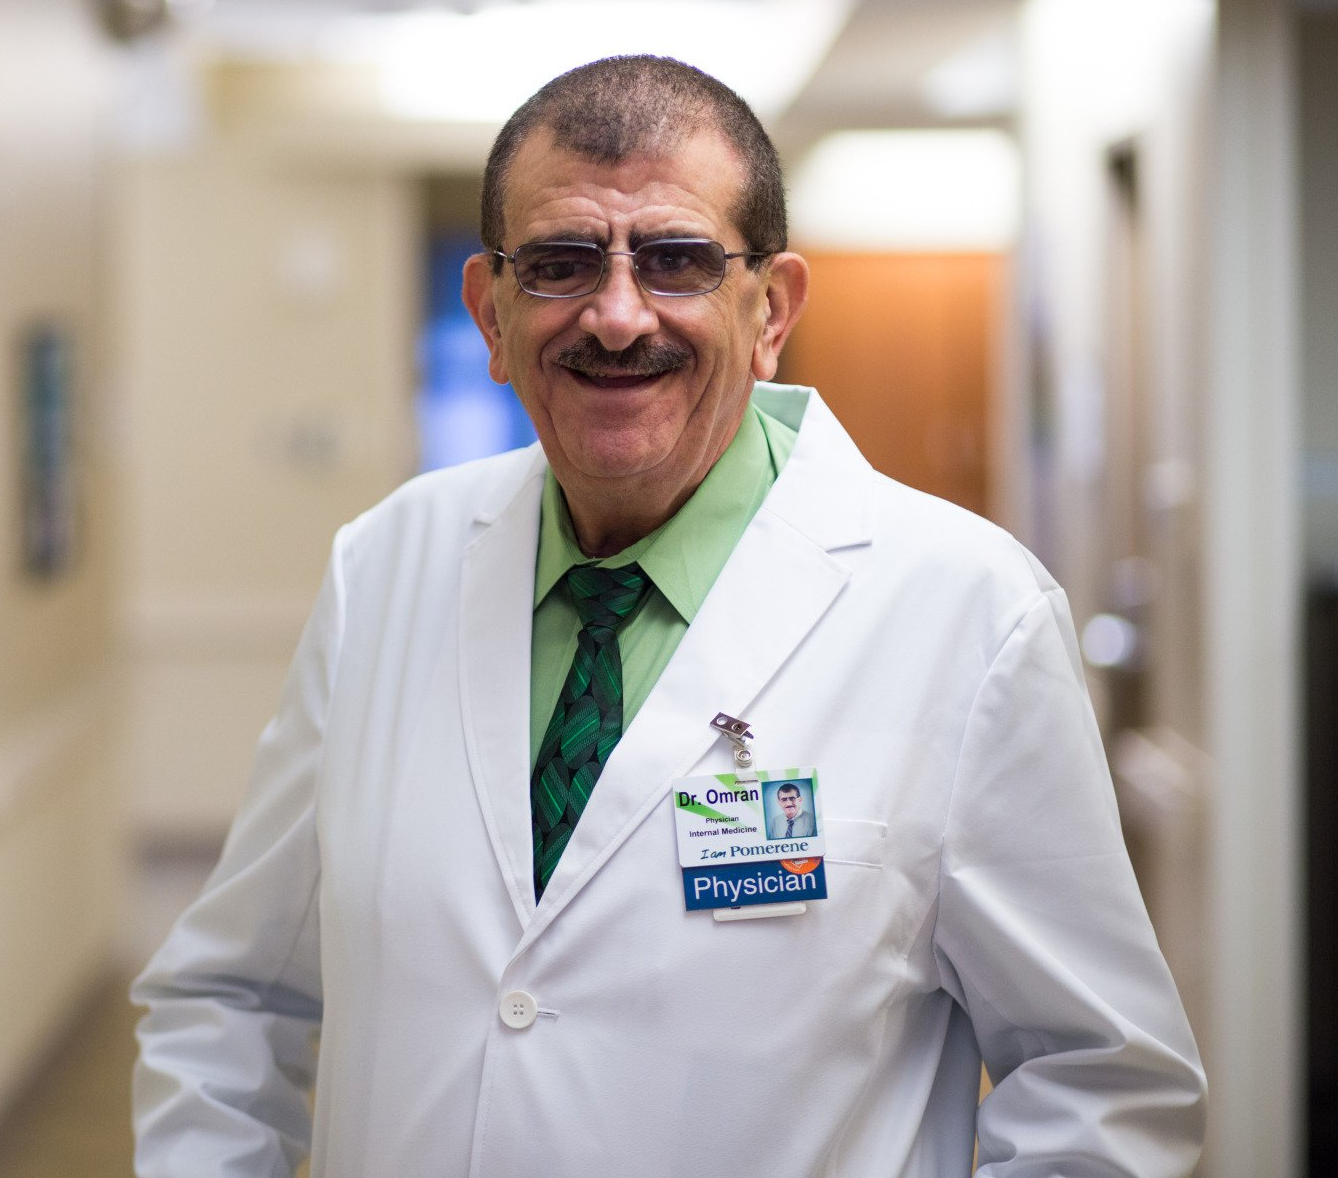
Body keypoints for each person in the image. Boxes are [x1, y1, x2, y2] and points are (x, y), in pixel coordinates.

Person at [132, 55, 1206, 1178]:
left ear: (772, 307)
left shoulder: (968, 612)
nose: (615, 313)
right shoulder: (384, 569)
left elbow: (1101, 1079)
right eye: (557, 263)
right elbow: (235, 994)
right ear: (490, 313)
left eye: (678, 259)